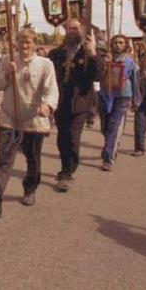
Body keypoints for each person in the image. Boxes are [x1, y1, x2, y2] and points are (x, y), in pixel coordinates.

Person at [0, 28, 59, 215]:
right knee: (3, 159)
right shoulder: (7, 60)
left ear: (35, 44)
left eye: (28, 42)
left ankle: (30, 188)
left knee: (33, 159)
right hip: (9, 118)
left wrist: (47, 106)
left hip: (34, 120)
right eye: (21, 42)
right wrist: (7, 74)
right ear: (16, 43)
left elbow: (52, 90)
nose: (24, 46)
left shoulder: (45, 64)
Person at [48, 19, 102, 192]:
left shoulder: (88, 53)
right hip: (60, 102)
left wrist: (92, 53)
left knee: (73, 137)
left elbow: (98, 76)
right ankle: (65, 166)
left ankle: (67, 173)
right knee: (62, 138)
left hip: (80, 102)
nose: (72, 31)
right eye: (69, 28)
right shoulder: (56, 53)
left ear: (82, 30)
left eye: (76, 28)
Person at [98, 34, 140, 171]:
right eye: (115, 42)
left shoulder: (130, 62)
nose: (118, 45)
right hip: (105, 95)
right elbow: (97, 77)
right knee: (105, 127)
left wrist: (136, 100)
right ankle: (112, 146)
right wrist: (105, 64)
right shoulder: (105, 59)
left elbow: (135, 81)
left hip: (122, 96)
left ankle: (108, 158)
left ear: (125, 45)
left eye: (121, 42)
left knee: (113, 126)